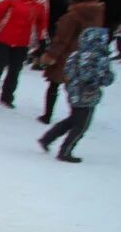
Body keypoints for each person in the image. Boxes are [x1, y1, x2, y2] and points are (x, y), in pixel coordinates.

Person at [38, 26, 114, 163]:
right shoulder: (99, 57)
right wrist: (104, 78)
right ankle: (65, 151)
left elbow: (68, 72)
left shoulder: (76, 54)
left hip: (73, 92)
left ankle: (47, 138)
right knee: (81, 125)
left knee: (73, 119)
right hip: (88, 95)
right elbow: (102, 78)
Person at [39, 0, 105, 123]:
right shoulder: (98, 13)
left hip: (67, 56)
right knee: (77, 88)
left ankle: (47, 115)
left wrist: (51, 56)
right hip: (86, 56)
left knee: (54, 85)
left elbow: (61, 39)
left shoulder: (72, 16)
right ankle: (77, 116)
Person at [0, 0, 48, 111]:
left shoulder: (40, 2)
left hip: (22, 42)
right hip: (3, 38)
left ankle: (7, 97)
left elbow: (42, 22)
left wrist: (41, 40)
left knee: (15, 71)